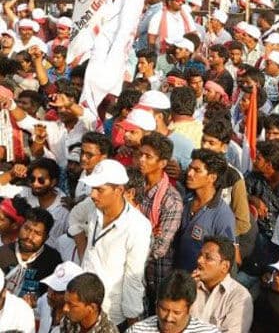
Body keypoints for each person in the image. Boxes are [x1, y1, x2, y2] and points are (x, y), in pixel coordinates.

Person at [80, 159, 152, 329]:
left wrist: (132, 323)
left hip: (110, 313)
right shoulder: (92, 206)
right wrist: (82, 247)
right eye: (92, 188)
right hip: (82, 305)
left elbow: (133, 277)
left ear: (119, 190)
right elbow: (74, 219)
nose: (93, 194)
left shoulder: (138, 226)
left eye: (100, 190)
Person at [136, 132, 184, 310]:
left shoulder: (171, 200)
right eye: (140, 154)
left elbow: (159, 248)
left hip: (155, 273)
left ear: (163, 163)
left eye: (148, 156)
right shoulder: (135, 186)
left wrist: (130, 247)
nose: (141, 160)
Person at [177, 150, 237, 272]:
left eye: (197, 170)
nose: (189, 173)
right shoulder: (185, 201)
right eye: (190, 168)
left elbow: (227, 257)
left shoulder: (223, 215)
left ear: (212, 177)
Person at [126, 270, 221, 333]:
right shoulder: (137, 331)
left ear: (189, 309)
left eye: (176, 312)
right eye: (164, 309)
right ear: (156, 305)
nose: (169, 318)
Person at [190, 237, 253, 333]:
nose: (199, 260)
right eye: (200, 255)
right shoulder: (190, 285)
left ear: (225, 266)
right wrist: (185, 290)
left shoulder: (239, 296)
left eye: (208, 257)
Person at [0, 206, 61, 303]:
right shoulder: (3, 253)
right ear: (21, 227)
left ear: (46, 237)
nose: (29, 236)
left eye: (37, 233)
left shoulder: (52, 260)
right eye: (27, 229)